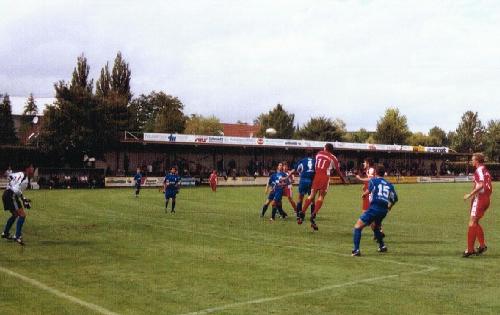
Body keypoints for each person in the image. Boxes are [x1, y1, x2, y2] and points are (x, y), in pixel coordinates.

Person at [352, 165, 398, 256]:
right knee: (374, 226)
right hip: (383, 210)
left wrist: (364, 194)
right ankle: (382, 246)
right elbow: (395, 199)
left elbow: (369, 190)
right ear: (384, 174)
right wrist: (390, 207)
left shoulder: (373, 181)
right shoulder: (389, 185)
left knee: (357, 227)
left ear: (376, 173)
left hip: (374, 208)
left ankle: (356, 250)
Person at [300, 143, 347, 231]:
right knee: (321, 196)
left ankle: (302, 212)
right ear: (332, 150)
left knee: (311, 195)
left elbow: (316, 164)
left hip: (317, 175)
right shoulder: (333, 158)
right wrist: (343, 180)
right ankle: (313, 214)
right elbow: (338, 171)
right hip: (325, 176)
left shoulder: (319, 153)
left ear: (325, 148)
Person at [463, 153, 493, 257]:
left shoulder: (479, 170)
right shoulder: (485, 170)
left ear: (477, 161)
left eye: (473, 159)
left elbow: (481, 185)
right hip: (486, 198)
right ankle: (482, 246)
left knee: (472, 222)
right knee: (475, 222)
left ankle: (470, 249)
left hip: (480, 198)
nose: (472, 161)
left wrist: (469, 195)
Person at [2, 164, 34, 246]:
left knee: (15, 215)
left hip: (6, 194)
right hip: (11, 195)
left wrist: (24, 199)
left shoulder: (19, 173)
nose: (33, 169)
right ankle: (17, 235)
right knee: (22, 215)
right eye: (31, 167)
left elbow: (9, 176)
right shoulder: (25, 180)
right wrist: (24, 200)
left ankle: (5, 233)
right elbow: (16, 191)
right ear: (27, 169)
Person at [355, 157, 384, 238]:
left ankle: (378, 231)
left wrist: (360, 178)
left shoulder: (370, 169)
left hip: (370, 194)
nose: (364, 164)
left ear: (367, 163)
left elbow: (371, 179)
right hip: (369, 192)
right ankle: (378, 231)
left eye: (365, 162)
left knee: (366, 212)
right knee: (370, 213)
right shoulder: (369, 170)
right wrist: (365, 186)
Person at [290, 154, 316, 224]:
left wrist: (300, 173)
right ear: (312, 156)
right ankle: (312, 216)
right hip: (311, 181)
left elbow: (297, 169)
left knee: (300, 198)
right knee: (312, 199)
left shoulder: (302, 160)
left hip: (303, 180)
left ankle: (299, 216)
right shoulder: (314, 161)